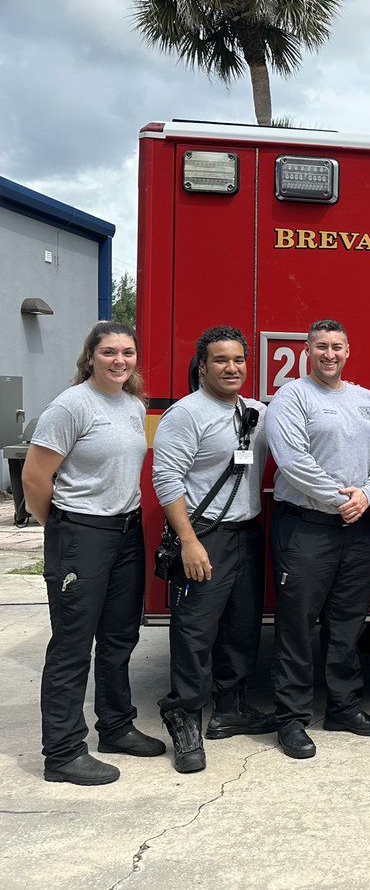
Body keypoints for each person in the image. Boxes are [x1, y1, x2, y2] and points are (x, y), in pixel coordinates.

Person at [23, 321, 166, 785]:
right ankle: (63, 753)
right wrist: (65, 528)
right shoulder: (70, 406)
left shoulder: (131, 405)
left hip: (125, 533)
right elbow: (34, 480)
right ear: (90, 357)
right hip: (82, 533)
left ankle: (116, 727)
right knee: (71, 647)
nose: (119, 360)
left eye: (127, 352)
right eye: (109, 352)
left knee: (119, 637)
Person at [264, 319, 370, 759]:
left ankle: (343, 708)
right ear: (307, 351)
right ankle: (292, 719)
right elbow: (292, 460)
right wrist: (341, 499)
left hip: (356, 528)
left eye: (337, 346)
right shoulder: (291, 397)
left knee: (347, 624)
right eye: (321, 347)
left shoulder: (366, 400)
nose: (330, 354)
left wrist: (369, 494)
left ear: (348, 350)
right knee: (297, 626)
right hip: (306, 527)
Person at [152, 326, 274, 774]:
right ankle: (184, 718)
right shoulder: (185, 415)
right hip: (204, 535)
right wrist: (188, 541)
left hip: (246, 532)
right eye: (221, 360)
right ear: (202, 366)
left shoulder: (256, 411)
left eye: (239, 360)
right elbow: (166, 480)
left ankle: (231, 709)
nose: (232, 368)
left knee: (242, 627)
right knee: (194, 633)